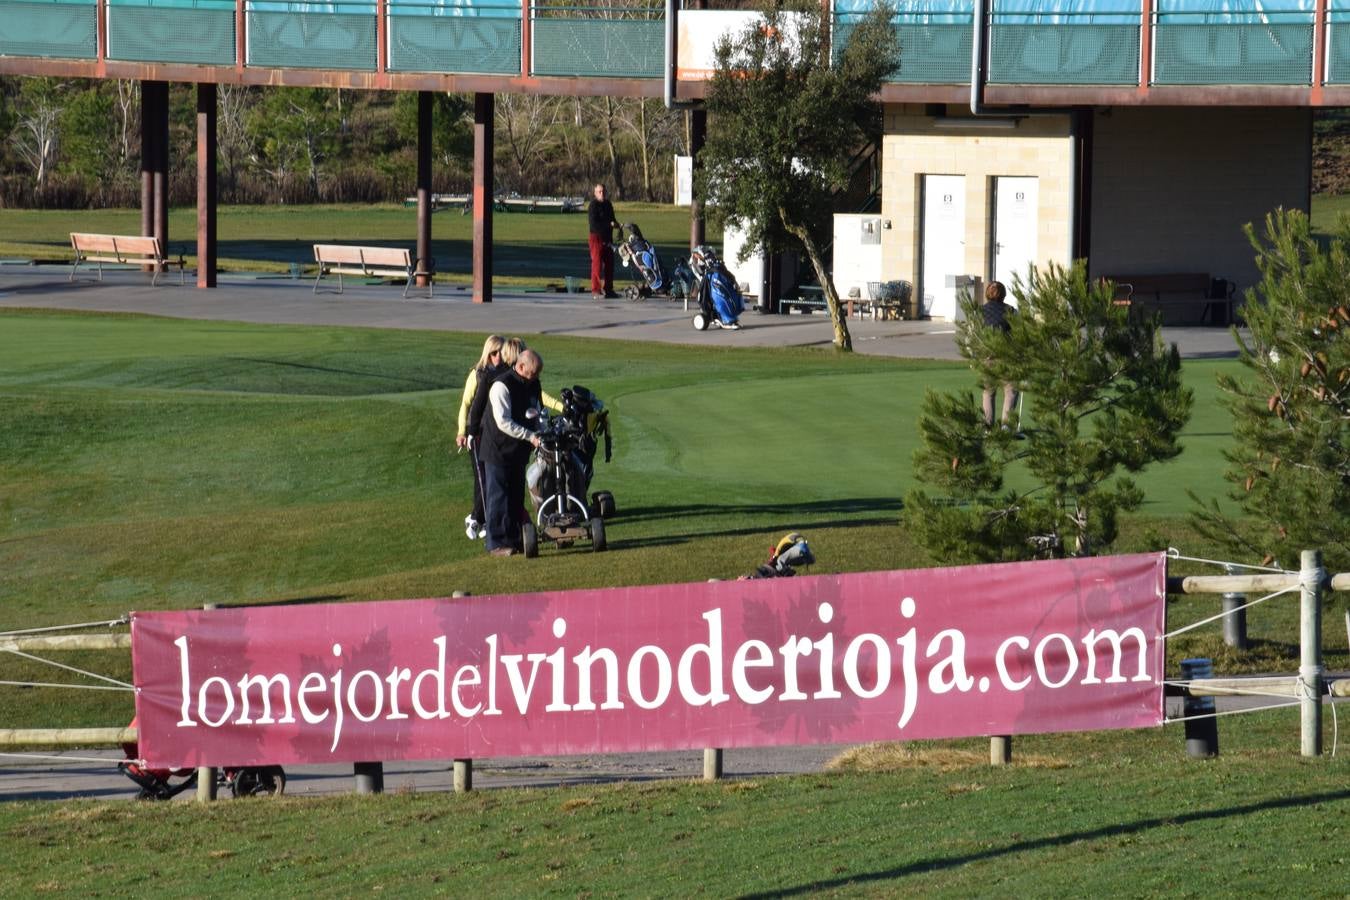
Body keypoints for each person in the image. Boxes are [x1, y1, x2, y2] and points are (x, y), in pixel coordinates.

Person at [479, 349, 546, 556]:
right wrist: (531, 436)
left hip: (519, 449)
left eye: (537, 374)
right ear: (521, 366)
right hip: (497, 449)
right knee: (498, 497)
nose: (535, 377)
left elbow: (538, 409)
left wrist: (542, 431)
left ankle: (516, 539)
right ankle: (497, 544)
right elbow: (503, 422)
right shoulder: (501, 385)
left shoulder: (533, 383)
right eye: (532, 373)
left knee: (516, 497)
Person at [456, 335, 505, 540]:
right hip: (476, 432)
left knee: (490, 477)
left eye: (500, 353)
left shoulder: (505, 373)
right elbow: (466, 404)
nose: (498, 357)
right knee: (482, 477)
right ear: (488, 353)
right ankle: (480, 518)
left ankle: (478, 518)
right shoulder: (477, 374)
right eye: (494, 353)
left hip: (494, 433)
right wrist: (461, 431)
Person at [979, 280, 1019, 430]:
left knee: (988, 391)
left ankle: (987, 427)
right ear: (1003, 294)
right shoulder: (1011, 311)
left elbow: (973, 335)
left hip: (987, 356)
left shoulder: (979, 311)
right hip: (1007, 356)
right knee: (1011, 390)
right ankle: (1006, 427)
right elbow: (1020, 333)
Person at [587, 183, 620, 299]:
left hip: (608, 238)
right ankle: (596, 290)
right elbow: (594, 224)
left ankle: (609, 289)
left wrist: (617, 225)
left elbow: (613, 219)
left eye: (603, 191)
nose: (602, 194)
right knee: (597, 264)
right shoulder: (593, 206)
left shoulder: (608, 204)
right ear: (595, 193)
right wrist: (608, 225)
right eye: (599, 191)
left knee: (610, 264)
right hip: (596, 238)